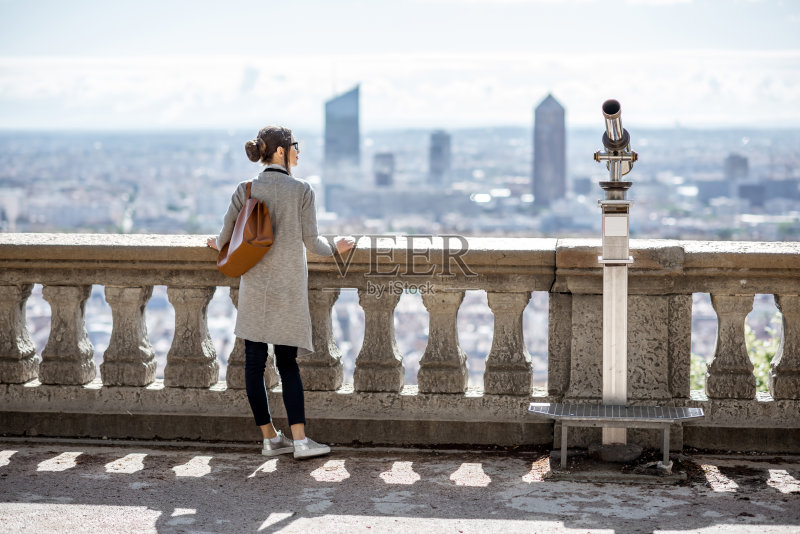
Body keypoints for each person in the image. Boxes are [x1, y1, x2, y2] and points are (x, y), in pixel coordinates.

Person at [207, 126, 354, 459]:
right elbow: (313, 244)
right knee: (288, 364)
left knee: (254, 365)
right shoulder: (302, 190)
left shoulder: (245, 188)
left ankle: (270, 438)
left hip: (255, 286)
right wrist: (337, 247)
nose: (298, 152)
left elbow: (223, 240)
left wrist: (213, 245)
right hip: (288, 287)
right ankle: (301, 441)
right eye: (294, 146)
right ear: (279, 151)